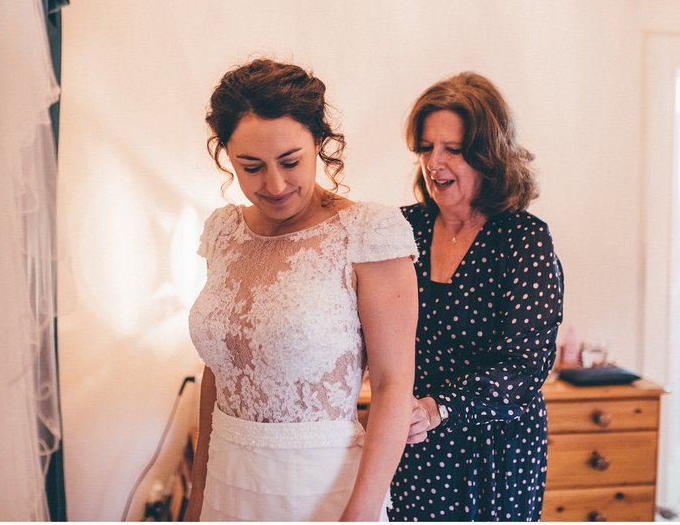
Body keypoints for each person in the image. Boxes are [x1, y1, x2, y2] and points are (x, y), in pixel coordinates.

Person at [186, 58, 419, 522]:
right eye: (250, 167)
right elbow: (219, 370)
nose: (274, 185)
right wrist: (197, 494)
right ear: (225, 154)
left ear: (319, 143)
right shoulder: (223, 233)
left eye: (290, 162)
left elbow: (394, 387)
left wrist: (361, 512)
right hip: (227, 484)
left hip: (319, 489)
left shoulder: (368, 233)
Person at [388, 72, 564, 521]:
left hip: (496, 450)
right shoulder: (401, 231)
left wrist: (439, 407)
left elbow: (524, 366)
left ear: (488, 156)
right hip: (415, 440)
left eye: (453, 149)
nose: (434, 162)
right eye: (426, 148)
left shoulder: (524, 240)